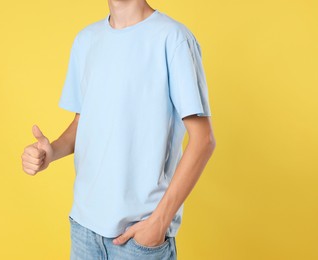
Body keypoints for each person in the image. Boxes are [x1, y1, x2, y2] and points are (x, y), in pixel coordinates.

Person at [21, 0, 216, 259]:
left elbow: (203, 140)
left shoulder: (173, 38)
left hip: (139, 236)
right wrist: (51, 151)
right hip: (84, 229)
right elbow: (84, 121)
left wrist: (159, 222)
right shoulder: (86, 40)